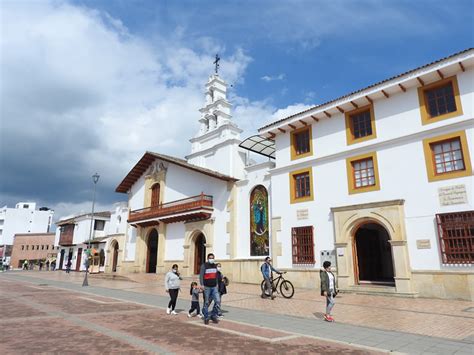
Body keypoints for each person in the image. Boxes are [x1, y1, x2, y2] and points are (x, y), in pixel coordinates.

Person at [199, 253, 220, 325]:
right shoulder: (204, 266)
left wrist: (217, 284)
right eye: (210, 258)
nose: (212, 259)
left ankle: (213, 315)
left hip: (214, 287)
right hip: (207, 287)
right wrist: (202, 285)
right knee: (207, 302)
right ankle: (206, 317)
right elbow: (201, 276)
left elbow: (216, 276)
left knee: (218, 300)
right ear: (208, 258)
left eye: (213, 258)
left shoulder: (215, 266)